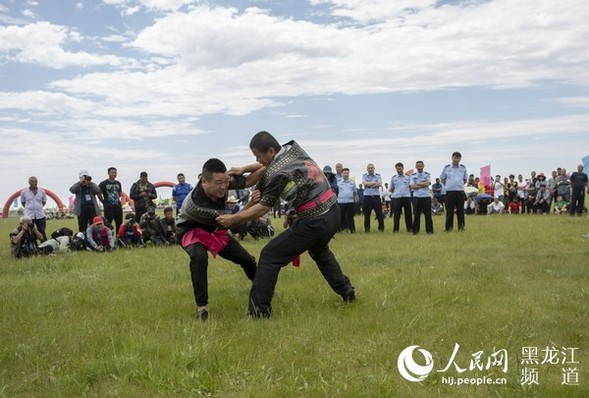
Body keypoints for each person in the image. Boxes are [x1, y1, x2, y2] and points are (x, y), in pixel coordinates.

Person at [216, 131, 356, 318]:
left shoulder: (278, 174)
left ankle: (259, 311)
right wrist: (244, 168)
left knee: (270, 255)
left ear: (271, 151)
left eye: (258, 156)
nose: (258, 160)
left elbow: (262, 209)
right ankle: (346, 290)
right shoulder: (292, 150)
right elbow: (263, 165)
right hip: (332, 211)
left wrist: (233, 219)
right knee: (319, 251)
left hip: (314, 220)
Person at [176, 158, 262, 321]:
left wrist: (244, 168)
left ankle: (263, 291)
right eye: (218, 183)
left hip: (214, 229)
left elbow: (254, 176)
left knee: (247, 260)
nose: (224, 187)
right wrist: (252, 201)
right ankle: (202, 308)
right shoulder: (196, 205)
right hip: (190, 230)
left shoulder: (223, 182)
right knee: (199, 257)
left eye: (226, 182)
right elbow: (234, 220)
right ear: (204, 181)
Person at [440, 152, 468, 231]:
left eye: (458, 157)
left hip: (460, 191)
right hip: (450, 192)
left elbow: (465, 179)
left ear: (460, 159)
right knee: (449, 210)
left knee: (460, 210)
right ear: (452, 158)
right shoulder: (447, 168)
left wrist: (459, 184)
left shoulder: (463, 168)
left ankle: (461, 227)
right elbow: (442, 178)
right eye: (455, 157)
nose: (456, 159)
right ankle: (448, 227)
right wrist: (449, 185)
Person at [20, 176, 47, 241]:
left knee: (42, 231)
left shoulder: (42, 191)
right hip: (29, 216)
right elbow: (23, 202)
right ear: (29, 182)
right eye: (32, 182)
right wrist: (29, 208)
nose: (34, 183)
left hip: (40, 215)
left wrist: (38, 207)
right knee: (29, 232)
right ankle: (32, 247)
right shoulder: (24, 192)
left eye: (35, 181)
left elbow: (44, 201)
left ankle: (45, 247)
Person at [410, 161, 433, 234]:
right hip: (417, 197)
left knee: (428, 215)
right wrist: (423, 184)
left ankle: (429, 231)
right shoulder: (413, 175)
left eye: (421, 166)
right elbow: (412, 186)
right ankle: (415, 231)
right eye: (418, 166)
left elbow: (428, 183)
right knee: (416, 214)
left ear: (423, 166)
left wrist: (417, 184)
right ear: (416, 167)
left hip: (426, 196)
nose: (420, 167)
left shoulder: (427, 174)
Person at [99, 167, 123, 234]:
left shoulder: (118, 183)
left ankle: (119, 239)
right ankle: (108, 239)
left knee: (119, 223)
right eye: (112, 172)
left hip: (118, 206)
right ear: (108, 173)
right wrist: (103, 201)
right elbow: (98, 193)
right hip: (108, 207)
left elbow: (120, 193)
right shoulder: (103, 183)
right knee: (108, 224)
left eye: (115, 172)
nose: (114, 174)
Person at [390, 162, 413, 233]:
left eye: (400, 168)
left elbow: (410, 187)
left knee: (408, 214)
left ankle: (409, 229)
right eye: (397, 169)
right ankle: (396, 229)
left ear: (403, 168)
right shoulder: (393, 178)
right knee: (396, 214)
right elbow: (392, 188)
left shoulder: (408, 177)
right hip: (397, 197)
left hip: (406, 197)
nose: (398, 170)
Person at [362, 163, 385, 232]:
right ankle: (367, 229)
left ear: (374, 168)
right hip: (367, 198)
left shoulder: (378, 175)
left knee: (379, 214)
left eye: (372, 168)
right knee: (367, 215)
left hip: (376, 198)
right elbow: (364, 183)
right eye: (369, 168)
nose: (370, 169)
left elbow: (379, 184)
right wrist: (374, 183)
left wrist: (369, 184)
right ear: (367, 169)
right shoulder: (364, 176)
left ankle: (381, 229)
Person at [337, 167, 358, 233]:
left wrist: (355, 200)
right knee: (341, 217)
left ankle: (352, 230)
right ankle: (340, 230)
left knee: (350, 217)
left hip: (350, 202)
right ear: (342, 174)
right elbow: (336, 192)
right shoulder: (339, 183)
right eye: (344, 173)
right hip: (341, 202)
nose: (346, 174)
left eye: (347, 173)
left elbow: (355, 192)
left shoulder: (352, 182)